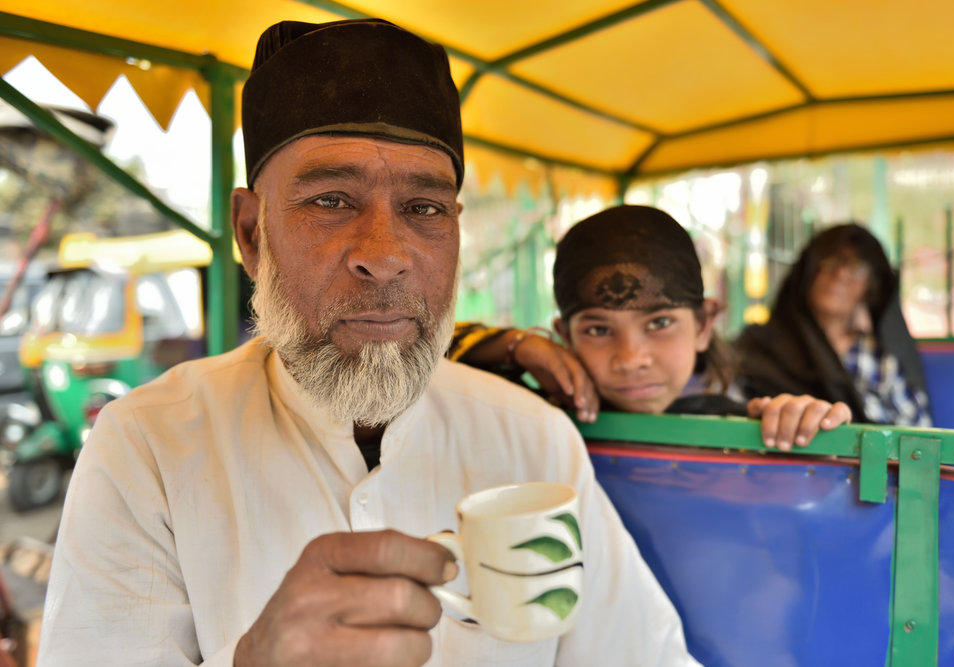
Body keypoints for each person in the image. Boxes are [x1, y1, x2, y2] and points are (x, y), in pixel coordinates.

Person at [36, 19, 701, 667]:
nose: (385, 256)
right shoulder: (149, 446)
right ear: (250, 233)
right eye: (331, 200)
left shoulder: (533, 440)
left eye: (424, 208)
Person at [450, 205, 852, 451]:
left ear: (703, 324)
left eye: (659, 323)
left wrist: (805, 429)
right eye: (598, 330)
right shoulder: (533, 419)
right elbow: (420, 361)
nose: (631, 358)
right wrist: (516, 347)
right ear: (564, 336)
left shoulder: (741, 432)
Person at [736, 223, 932, 427]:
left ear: (870, 285)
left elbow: (916, 434)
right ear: (808, 273)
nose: (840, 274)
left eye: (855, 266)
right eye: (831, 262)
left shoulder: (878, 359)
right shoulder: (759, 348)